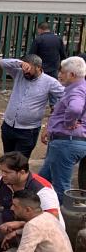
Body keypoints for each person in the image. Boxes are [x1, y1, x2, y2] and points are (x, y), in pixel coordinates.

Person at [0, 55, 63, 158]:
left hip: (28, 131)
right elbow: (2, 63)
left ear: (38, 67)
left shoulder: (50, 82)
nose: (25, 72)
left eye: (29, 69)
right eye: (24, 69)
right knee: (8, 159)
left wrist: (56, 110)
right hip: (8, 126)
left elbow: (66, 96)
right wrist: (20, 63)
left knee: (20, 162)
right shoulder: (19, 73)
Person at [38, 56, 86, 196]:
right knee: (42, 180)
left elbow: (75, 109)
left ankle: (60, 216)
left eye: (63, 72)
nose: (59, 75)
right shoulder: (77, 88)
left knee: (60, 186)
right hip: (66, 142)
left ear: (72, 74)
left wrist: (69, 122)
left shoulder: (77, 91)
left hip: (66, 143)